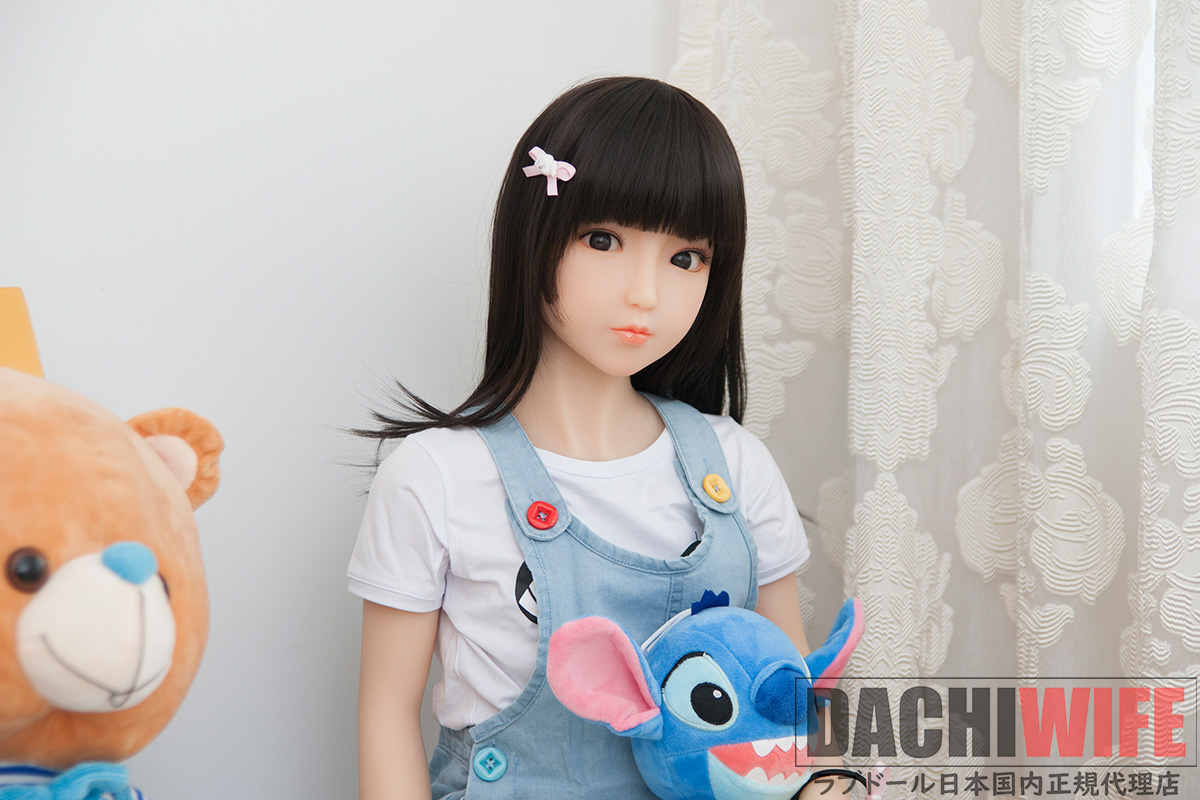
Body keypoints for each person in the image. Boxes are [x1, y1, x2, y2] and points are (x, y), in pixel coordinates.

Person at [349, 76, 821, 799]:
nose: (645, 293)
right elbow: (386, 712)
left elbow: (790, 697)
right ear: (533, 236)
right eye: (604, 240)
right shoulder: (435, 476)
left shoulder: (736, 465)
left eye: (686, 257)